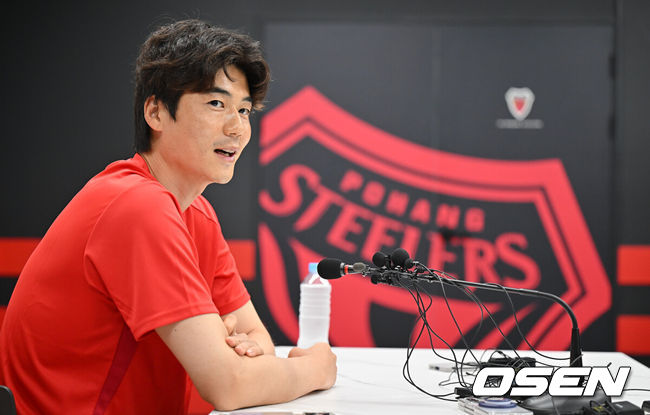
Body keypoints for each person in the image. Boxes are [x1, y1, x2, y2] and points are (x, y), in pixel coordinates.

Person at [0, 19, 337, 414]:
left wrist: (235, 353)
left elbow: (256, 340)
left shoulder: (197, 213)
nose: (237, 128)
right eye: (216, 104)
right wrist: (315, 368)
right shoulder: (136, 206)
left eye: (244, 110)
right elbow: (228, 385)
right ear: (156, 112)